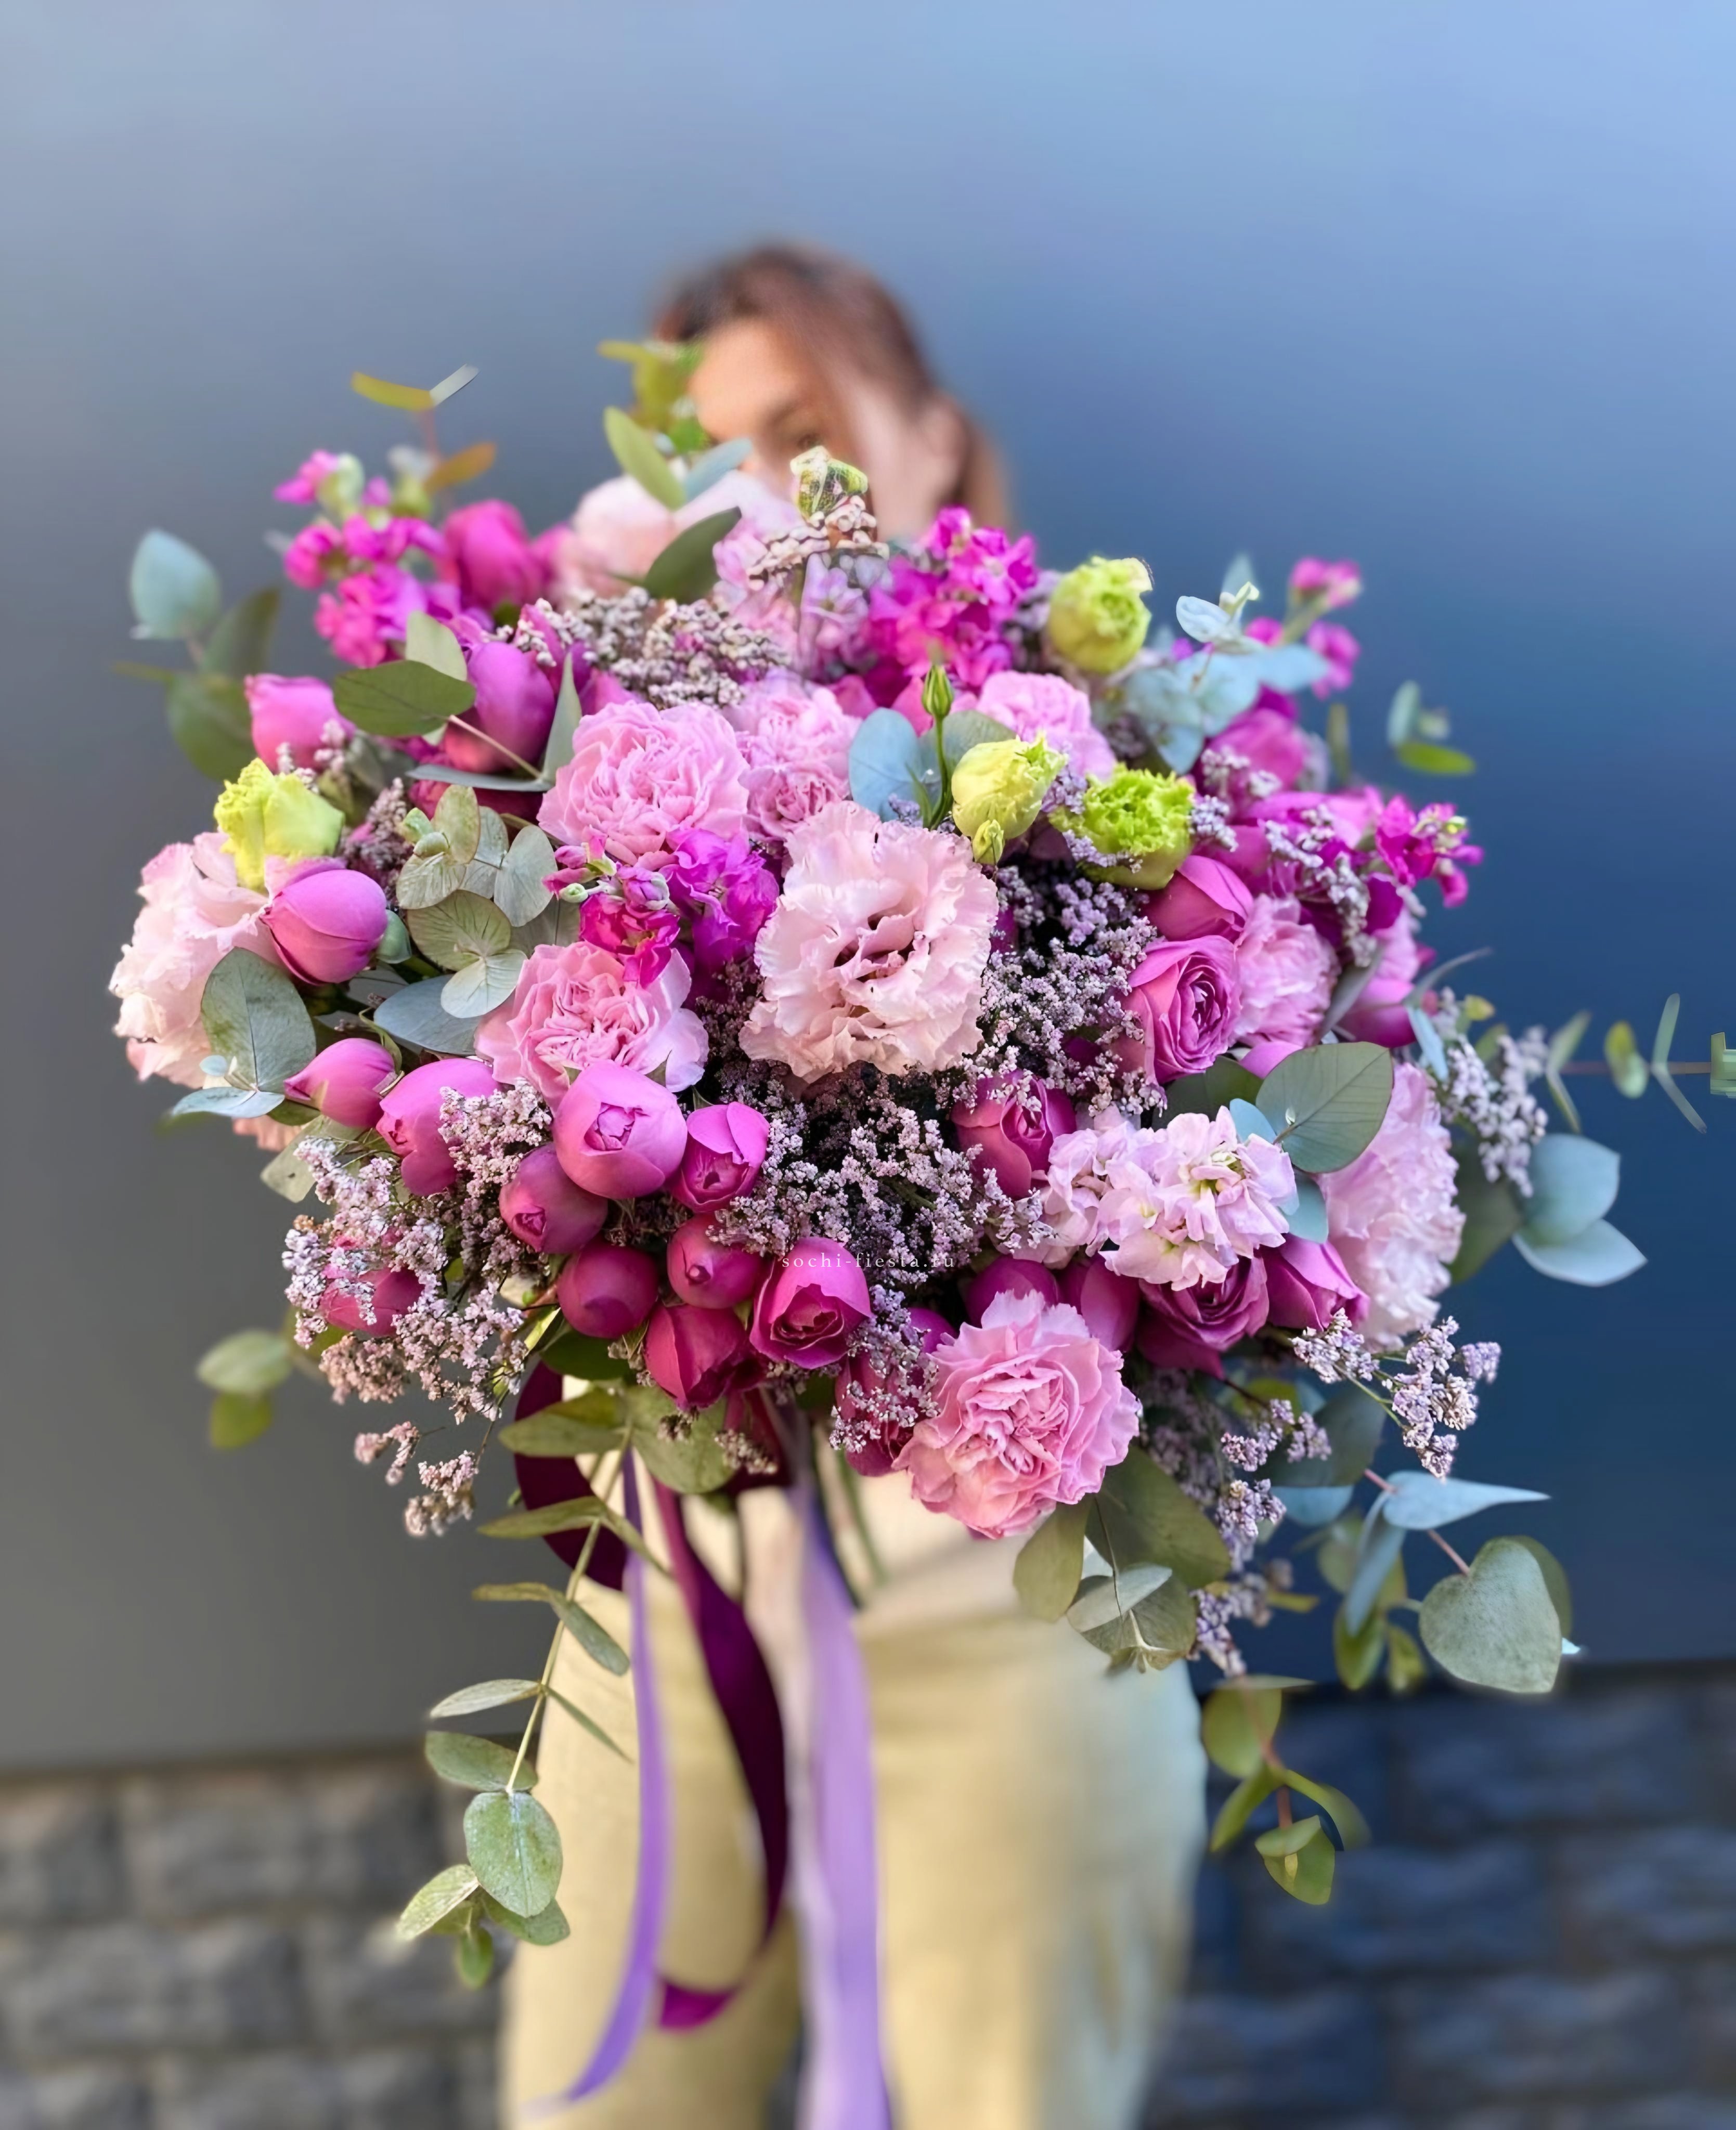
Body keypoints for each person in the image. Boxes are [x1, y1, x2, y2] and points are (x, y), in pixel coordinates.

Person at [501, 244, 1207, 2130]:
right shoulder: (571, 773)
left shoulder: (1120, 758)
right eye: (708, 454)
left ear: (933, 441)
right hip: (673, 1580)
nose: (761, 493)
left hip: (1005, 1594)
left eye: (806, 431)